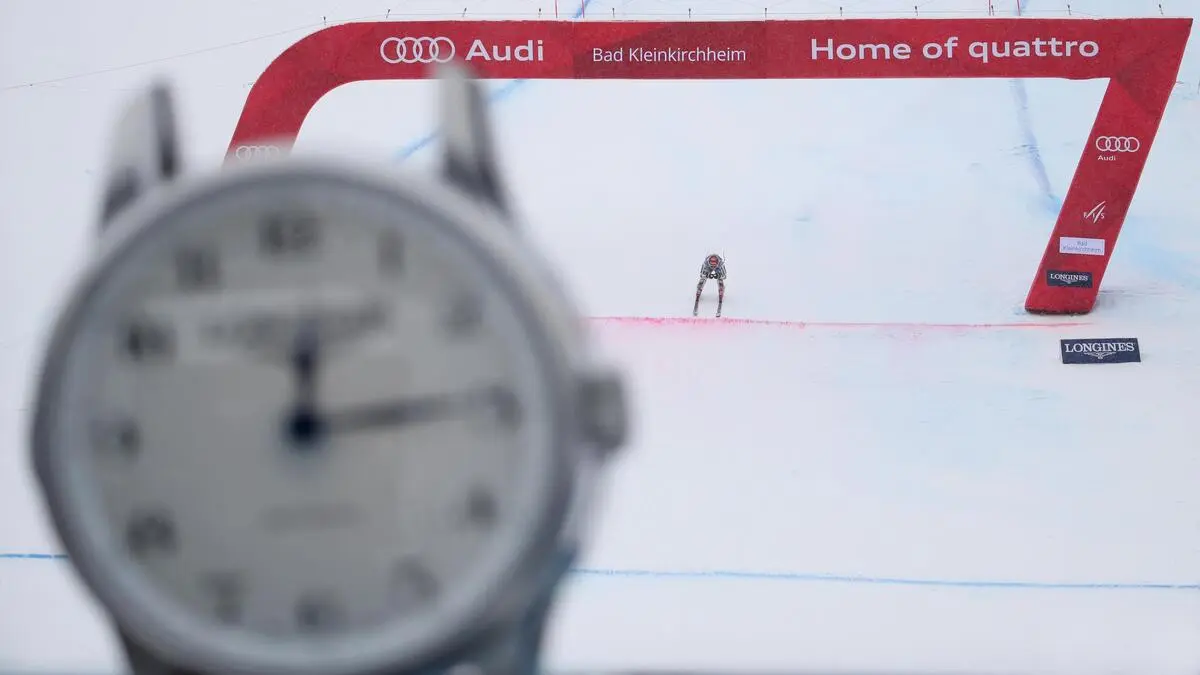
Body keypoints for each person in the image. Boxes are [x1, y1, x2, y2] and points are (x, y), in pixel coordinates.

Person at [693, 253, 726, 317]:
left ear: (717, 263)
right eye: (712, 265)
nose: (713, 266)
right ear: (709, 263)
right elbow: (701, 274)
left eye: (714, 265)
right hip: (708, 268)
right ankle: (699, 290)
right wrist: (707, 274)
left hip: (718, 269)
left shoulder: (721, 264)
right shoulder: (706, 264)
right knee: (702, 279)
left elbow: (724, 276)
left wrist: (719, 275)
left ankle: (721, 290)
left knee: (720, 279)